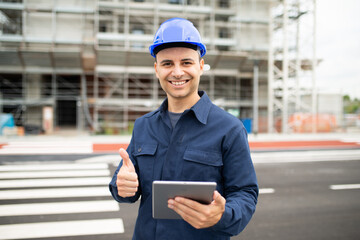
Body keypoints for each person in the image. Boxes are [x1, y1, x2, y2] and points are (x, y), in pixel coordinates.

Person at [109, 17, 258, 240]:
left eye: (186, 62)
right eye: (167, 63)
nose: (177, 72)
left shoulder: (229, 128)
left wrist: (222, 214)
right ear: (156, 69)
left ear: (200, 66)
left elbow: (245, 193)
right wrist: (122, 187)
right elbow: (126, 187)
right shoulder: (143, 126)